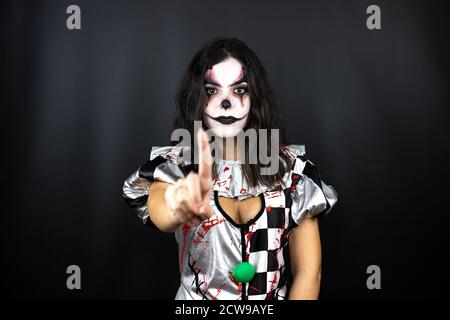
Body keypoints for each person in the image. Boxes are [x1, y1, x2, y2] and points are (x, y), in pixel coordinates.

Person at [122, 37, 338, 300]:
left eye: (239, 90)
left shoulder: (291, 172)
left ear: (256, 96)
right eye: (212, 91)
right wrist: (178, 203)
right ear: (197, 99)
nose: (225, 103)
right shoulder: (176, 166)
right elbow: (162, 214)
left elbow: (308, 272)